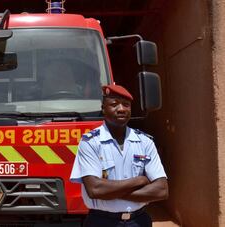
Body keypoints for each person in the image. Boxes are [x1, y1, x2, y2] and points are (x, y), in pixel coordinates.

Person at [70, 84, 168, 227]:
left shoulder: (145, 142)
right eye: (114, 104)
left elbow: (161, 190)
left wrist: (110, 192)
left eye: (126, 105)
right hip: (102, 222)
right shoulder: (90, 142)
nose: (121, 109)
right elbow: (95, 189)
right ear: (103, 109)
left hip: (138, 221)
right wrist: (140, 181)